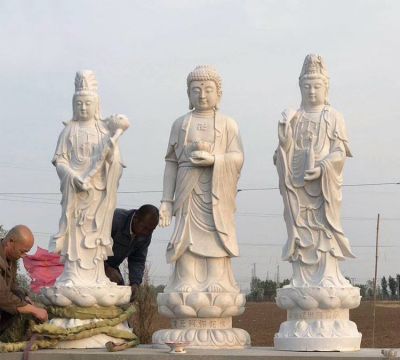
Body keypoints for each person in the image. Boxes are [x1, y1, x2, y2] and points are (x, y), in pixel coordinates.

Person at [159, 65, 244, 293]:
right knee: (186, 235)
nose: (202, 95)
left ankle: (216, 279)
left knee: (217, 232)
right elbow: (171, 162)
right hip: (187, 189)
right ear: (188, 94)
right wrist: (166, 200)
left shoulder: (228, 123)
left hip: (216, 190)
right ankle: (186, 278)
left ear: (219, 94)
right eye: (196, 90)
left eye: (208, 89)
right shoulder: (180, 124)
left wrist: (215, 160)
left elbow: (237, 157)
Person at [274, 54, 354, 288]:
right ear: (300, 87)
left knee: (323, 231)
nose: (311, 91)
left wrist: (322, 168)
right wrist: (284, 133)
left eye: (316, 86)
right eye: (307, 86)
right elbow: (283, 152)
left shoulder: (333, 116)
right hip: (298, 186)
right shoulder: (294, 117)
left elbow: (339, 151)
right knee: (301, 230)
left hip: (322, 188)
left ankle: (328, 275)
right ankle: (301, 278)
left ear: (325, 88)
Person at [49, 70, 129, 287]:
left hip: (98, 194)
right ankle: (73, 274)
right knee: (76, 234)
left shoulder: (105, 131)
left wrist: (112, 153)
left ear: (96, 105)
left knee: (95, 233)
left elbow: (116, 166)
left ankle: (96, 275)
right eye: (79, 104)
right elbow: (60, 161)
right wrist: (73, 177)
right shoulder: (69, 131)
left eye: (87, 103)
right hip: (75, 193)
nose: (83, 108)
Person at [0, 225, 48, 342]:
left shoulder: (11, 259)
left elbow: (12, 287)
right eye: (22, 251)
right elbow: (3, 296)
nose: (23, 256)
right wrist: (33, 310)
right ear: (10, 242)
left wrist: (25, 298)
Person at [104, 205, 159, 301]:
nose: (146, 233)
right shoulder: (114, 220)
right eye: (144, 227)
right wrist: (105, 268)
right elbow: (90, 247)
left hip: (112, 267)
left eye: (151, 230)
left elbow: (137, 260)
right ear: (135, 218)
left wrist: (135, 283)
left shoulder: (146, 235)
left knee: (122, 296)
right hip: (91, 263)